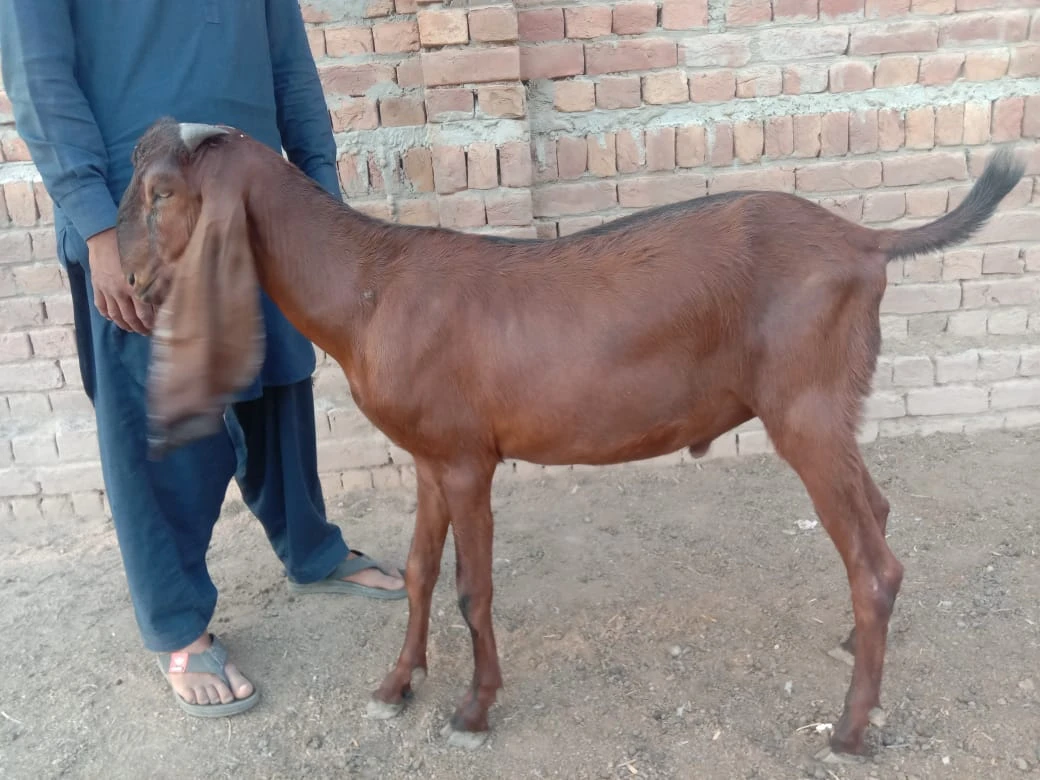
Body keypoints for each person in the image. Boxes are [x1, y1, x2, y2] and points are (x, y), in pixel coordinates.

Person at [0, 0, 406, 718]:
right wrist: (97, 228)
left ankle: (311, 551)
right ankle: (177, 625)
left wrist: (321, 192)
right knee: (163, 426)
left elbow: (289, 61)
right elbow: (39, 77)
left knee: (282, 388)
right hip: (145, 217)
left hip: (258, 198)